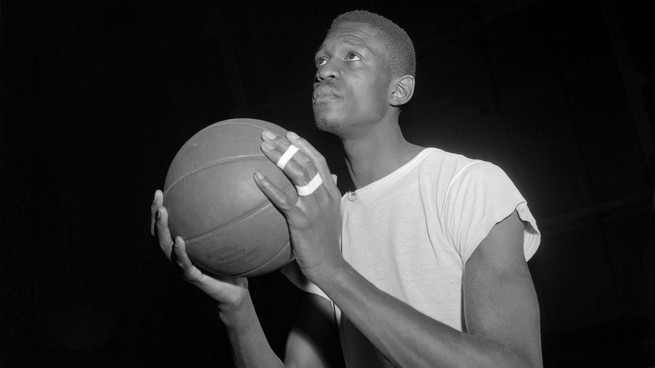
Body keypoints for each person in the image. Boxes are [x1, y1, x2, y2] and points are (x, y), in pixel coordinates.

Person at [151, 10, 543, 368]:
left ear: (399, 91)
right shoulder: (327, 218)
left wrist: (329, 268)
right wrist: (236, 307)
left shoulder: (467, 184)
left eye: (351, 56)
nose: (325, 71)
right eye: (321, 60)